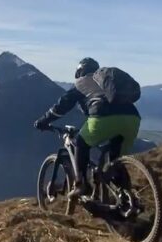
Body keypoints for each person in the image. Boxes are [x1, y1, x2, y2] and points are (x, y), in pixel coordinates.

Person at [34, 57, 141, 200]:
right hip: (132, 118)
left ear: (80, 72)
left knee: (80, 143)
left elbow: (61, 107)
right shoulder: (107, 82)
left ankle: (81, 185)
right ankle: (127, 199)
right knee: (113, 162)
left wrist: (43, 121)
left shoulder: (81, 83)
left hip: (103, 117)